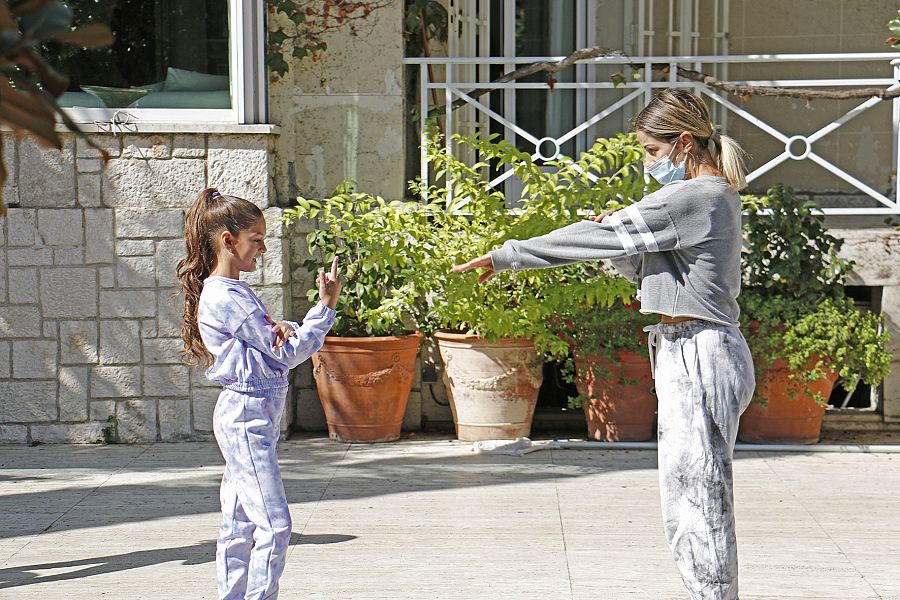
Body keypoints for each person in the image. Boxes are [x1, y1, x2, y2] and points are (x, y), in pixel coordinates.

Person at [453, 88, 755, 600]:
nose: (648, 164)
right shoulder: (709, 196)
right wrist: (614, 243)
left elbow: (594, 240)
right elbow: (642, 264)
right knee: (690, 492)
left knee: (698, 496)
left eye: (652, 152)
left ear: (684, 143)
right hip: (694, 346)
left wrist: (509, 254)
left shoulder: (693, 196)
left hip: (700, 351)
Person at [176, 188, 342, 600]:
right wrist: (323, 309)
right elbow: (286, 352)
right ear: (227, 241)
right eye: (257, 240)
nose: (263, 250)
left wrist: (284, 325)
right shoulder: (227, 295)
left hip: (248, 413)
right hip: (246, 416)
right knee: (274, 524)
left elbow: (269, 337)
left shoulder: (230, 291)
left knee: (238, 524)